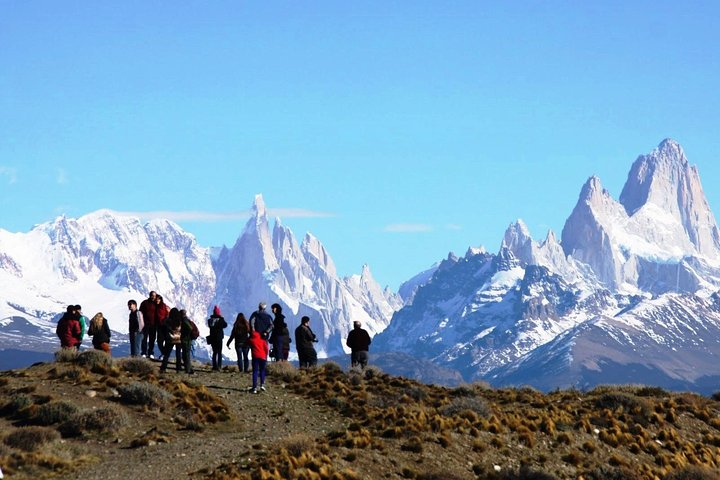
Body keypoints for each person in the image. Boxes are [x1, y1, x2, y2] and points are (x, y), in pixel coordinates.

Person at [160, 308, 183, 373]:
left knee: (167, 354)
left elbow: (163, 328)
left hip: (169, 338)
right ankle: (178, 368)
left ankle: (163, 367)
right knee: (178, 354)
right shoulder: (180, 321)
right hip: (178, 338)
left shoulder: (167, 320)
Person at [207, 305, 228, 370]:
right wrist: (221, 317)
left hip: (212, 338)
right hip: (219, 338)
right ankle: (219, 366)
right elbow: (225, 325)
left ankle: (214, 366)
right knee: (219, 352)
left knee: (214, 352)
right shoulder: (221, 320)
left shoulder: (210, 320)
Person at [139, 291, 157, 358]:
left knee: (152, 339)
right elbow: (140, 313)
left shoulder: (157, 304)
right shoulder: (145, 303)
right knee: (144, 339)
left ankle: (151, 353)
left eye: (154, 296)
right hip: (145, 324)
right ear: (150, 295)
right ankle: (143, 352)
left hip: (154, 324)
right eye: (152, 295)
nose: (153, 297)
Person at [179, 309, 194, 374]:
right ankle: (189, 369)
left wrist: (184, 333)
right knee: (186, 354)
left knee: (186, 354)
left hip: (186, 340)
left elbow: (190, 328)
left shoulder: (184, 320)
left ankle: (188, 369)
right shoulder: (186, 320)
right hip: (187, 340)